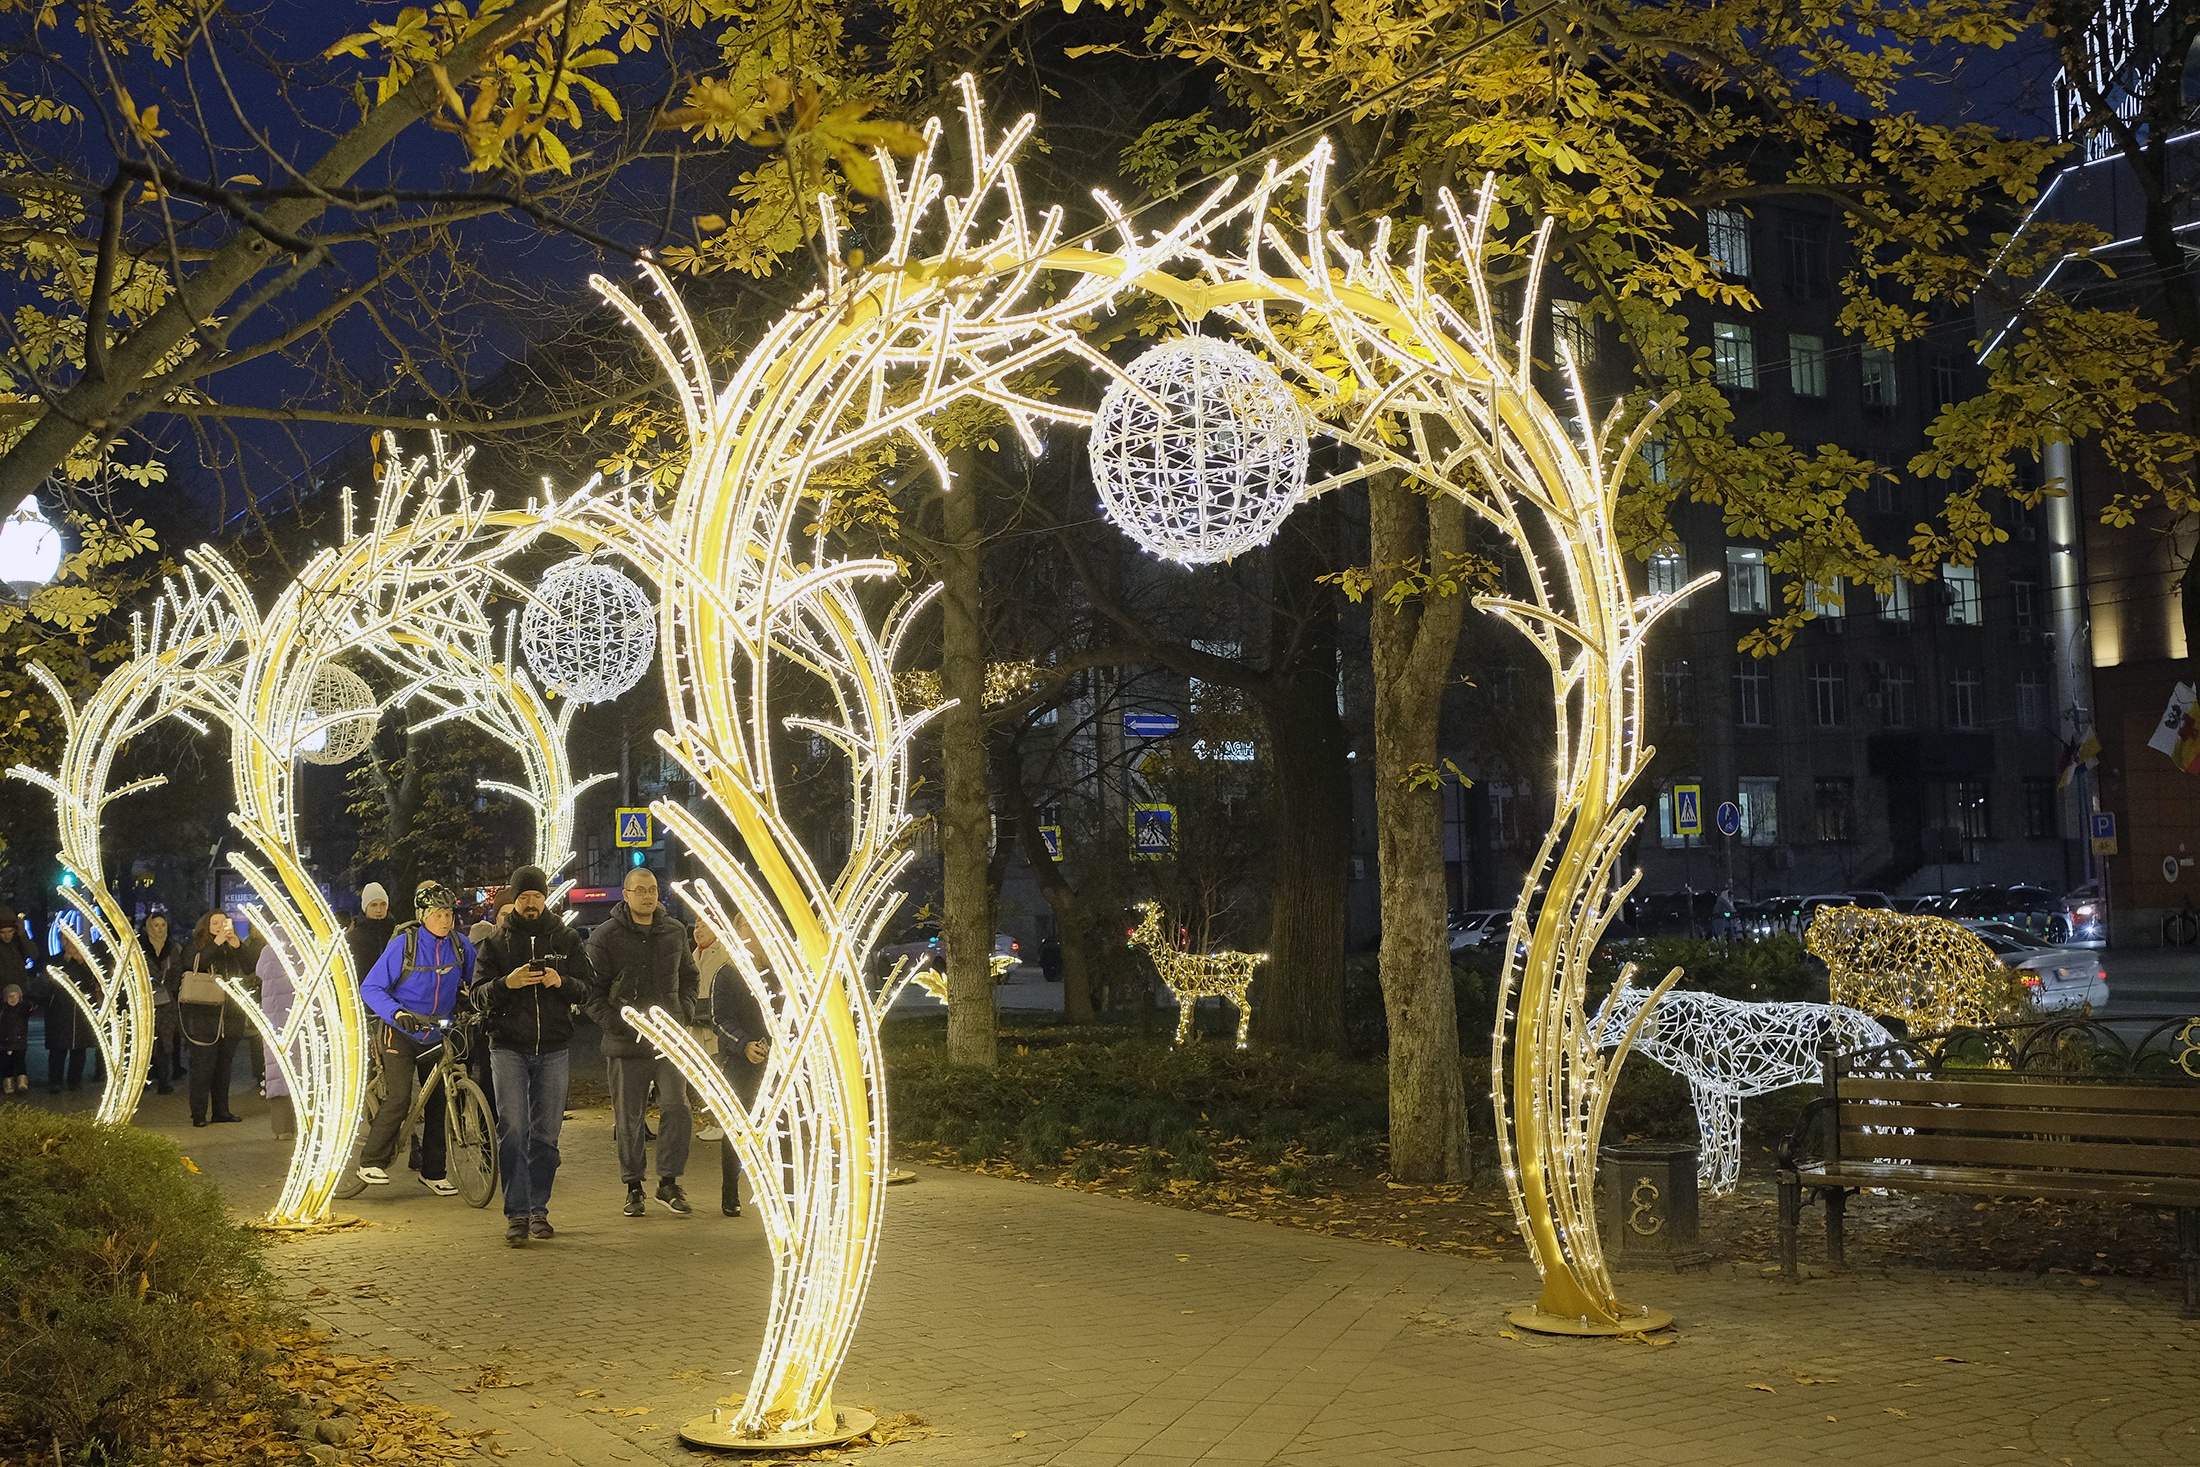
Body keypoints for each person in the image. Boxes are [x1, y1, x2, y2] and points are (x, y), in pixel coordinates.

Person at [477, 865, 590, 1246]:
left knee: (546, 1135)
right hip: (508, 1046)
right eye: (524, 897)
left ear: (546, 898)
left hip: (554, 1047)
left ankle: (539, 1208)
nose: (530, 903)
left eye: (536, 896)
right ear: (514, 899)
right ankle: (517, 1213)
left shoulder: (565, 938)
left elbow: (588, 989)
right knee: (512, 1128)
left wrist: (562, 981)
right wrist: (506, 983)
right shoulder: (496, 943)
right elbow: (477, 995)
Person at [585, 866, 699, 1218]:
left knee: (677, 1108)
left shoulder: (674, 931)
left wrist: (684, 1012)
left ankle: (669, 1182)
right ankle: (633, 1186)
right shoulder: (605, 936)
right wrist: (619, 1025)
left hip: (668, 1040)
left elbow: (689, 977)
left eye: (652, 889)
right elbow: (592, 992)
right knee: (629, 1117)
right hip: (626, 1043)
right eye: (640, 890)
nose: (648, 896)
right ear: (626, 894)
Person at [355, 881, 477, 1192]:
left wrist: (476, 1002)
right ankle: (370, 1161)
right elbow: (370, 987)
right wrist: (396, 1013)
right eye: (438, 914)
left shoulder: (460, 945)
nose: (445, 921)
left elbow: (476, 980)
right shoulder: (404, 945)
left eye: (449, 914)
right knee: (400, 1097)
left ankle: (434, 1172)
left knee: (438, 1102)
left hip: (437, 1032)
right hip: (401, 1031)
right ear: (423, 916)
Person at [693, 917, 770, 1218]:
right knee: (738, 1127)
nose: (756, 931)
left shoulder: (778, 973)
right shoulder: (728, 974)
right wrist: (744, 1044)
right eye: (748, 924)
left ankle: (776, 1189)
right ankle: (730, 1188)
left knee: (780, 1128)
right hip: (741, 1061)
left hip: (777, 1061)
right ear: (738, 932)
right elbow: (720, 1019)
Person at [183, 912, 252, 1125]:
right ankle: (199, 1114)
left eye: (223, 922)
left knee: (224, 1066)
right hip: (204, 1016)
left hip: (230, 1015)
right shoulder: (196, 944)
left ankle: (221, 1111)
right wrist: (216, 943)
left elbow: (251, 967)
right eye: (215, 923)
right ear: (206, 925)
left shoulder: (231, 945)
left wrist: (237, 946)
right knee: (203, 1067)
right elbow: (194, 964)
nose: (220, 926)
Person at [256, 930, 298, 1141]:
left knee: (277, 1071)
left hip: (274, 1020)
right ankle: (304, 1126)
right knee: (303, 1072)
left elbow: (259, 972)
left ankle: (282, 1129)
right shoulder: (306, 950)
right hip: (301, 1019)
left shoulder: (268, 951)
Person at [140, 913, 186, 1094]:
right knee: (145, 1042)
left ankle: (163, 1081)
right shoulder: (140, 947)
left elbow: (177, 970)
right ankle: (143, 1080)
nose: (159, 929)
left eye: (163, 925)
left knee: (165, 1042)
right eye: (156, 925)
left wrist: (171, 988)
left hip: (167, 1001)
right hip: (145, 1001)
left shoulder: (172, 948)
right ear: (149, 927)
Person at [345, 883, 394, 985]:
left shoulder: (397, 934)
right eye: (373, 905)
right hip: (362, 991)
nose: (379, 910)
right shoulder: (352, 939)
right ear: (365, 907)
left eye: (383, 904)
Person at [0, 982, 29, 1093]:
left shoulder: (22, 1010)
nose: (13, 999)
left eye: (15, 996)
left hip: (19, 1042)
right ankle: (8, 1083)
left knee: (20, 1062)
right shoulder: (3, 1011)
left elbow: (31, 1007)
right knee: (7, 1064)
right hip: (5, 1043)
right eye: (10, 996)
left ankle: (22, 1081)